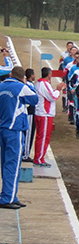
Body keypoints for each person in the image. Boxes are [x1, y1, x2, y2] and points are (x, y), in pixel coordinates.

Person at [0, 66, 39, 208]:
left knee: (6, 163)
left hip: (3, 128)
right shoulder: (20, 87)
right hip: (14, 129)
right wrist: (25, 84)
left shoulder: (2, 85)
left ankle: (10, 194)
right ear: (23, 77)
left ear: (11, 74)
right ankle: (7, 197)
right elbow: (34, 99)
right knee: (13, 164)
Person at [33, 68, 66, 166]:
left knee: (43, 137)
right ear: (49, 74)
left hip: (43, 113)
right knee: (43, 137)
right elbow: (52, 97)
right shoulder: (44, 84)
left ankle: (40, 158)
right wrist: (58, 90)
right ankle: (39, 158)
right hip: (44, 114)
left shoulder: (40, 84)